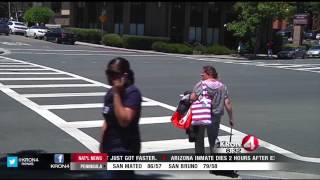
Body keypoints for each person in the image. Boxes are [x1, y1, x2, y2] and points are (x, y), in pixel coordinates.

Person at [100, 57, 142, 179]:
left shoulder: (132, 93)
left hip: (125, 149)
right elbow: (107, 119)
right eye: (108, 73)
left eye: (114, 74)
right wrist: (102, 143)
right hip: (110, 147)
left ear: (125, 75)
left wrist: (117, 93)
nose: (110, 77)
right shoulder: (110, 93)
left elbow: (124, 121)